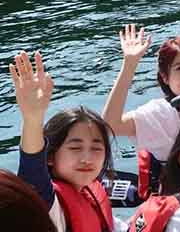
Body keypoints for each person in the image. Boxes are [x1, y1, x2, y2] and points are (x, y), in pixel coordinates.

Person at [103, 27, 180, 200]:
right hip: (173, 205)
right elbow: (109, 125)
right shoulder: (156, 114)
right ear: (165, 77)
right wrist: (129, 64)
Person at [12, 50, 116, 231]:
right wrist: (32, 117)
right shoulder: (48, 206)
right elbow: (33, 170)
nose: (87, 158)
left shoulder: (91, 191)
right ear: (51, 156)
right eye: (75, 148)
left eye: (96, 148)